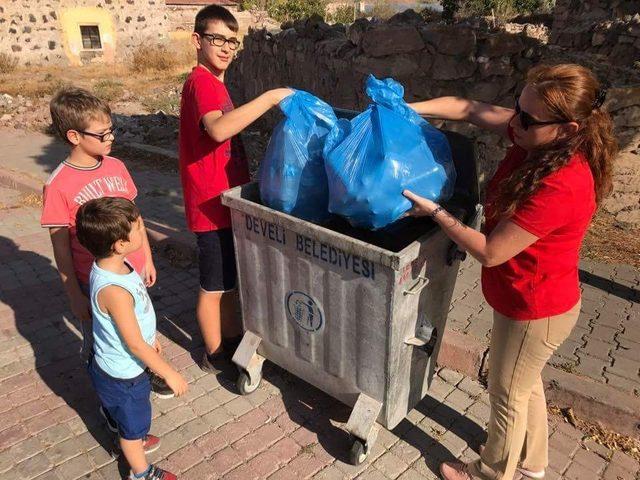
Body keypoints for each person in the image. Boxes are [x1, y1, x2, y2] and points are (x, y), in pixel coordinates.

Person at [405, 64, 617, 480]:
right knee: (525, 382)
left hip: (535, 307)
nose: (513, 121)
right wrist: (403, 108)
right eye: (517, 108)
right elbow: (467, 108)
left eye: (526, 117)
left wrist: (435, 212)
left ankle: (490, 471)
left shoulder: (563, 182)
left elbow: (491, 251)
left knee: (506, 392)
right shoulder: (537, 138)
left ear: (568, 128)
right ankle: (534, 463)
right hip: (529, 298)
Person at [41, 88, 174, 405]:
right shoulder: (58, 185)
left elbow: (136, 218)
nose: (111, 137)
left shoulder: (116, 167)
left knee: (141, 326)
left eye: (111, 129)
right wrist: (74, 294)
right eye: (102, 133)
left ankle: (146, 368)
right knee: (101, 343)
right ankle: (111, 403)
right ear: (74, 136)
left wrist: (148, 259)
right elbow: (61, 247)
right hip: (96, 282)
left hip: (134, 273)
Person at [179, 4, 292, 373]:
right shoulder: (202, 84)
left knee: (228, 283)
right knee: (213, 286)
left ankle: (229, 342)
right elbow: (218, 129)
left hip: (225, 202)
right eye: (217, 39)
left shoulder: (216, 85)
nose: (227, 48)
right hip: (210, 206)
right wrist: (271, 97)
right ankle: (213, 355)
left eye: (233, 41)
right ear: (197, 41)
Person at [76, 197, 189, 480]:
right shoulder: (113, 290)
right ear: (119, 244)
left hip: (116, 367)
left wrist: (150, 337)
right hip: (124, 376)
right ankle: (140, 470)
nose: (144, 230)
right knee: (132, 424)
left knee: (125, 413)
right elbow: (134, 344)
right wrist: (169, 373)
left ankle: (124, 425)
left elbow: (132, 329)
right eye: (138, 228)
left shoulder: (113, 264)